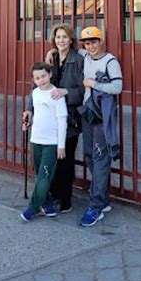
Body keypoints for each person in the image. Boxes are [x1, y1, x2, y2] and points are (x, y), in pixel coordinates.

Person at [23, 24, 84, 212]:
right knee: (51, 162)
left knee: (65, 161)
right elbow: (38, 86)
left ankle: (66, 200)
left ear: (71, 39)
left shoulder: (79, 59)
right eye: (58, 37)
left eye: (65, 37)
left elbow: (83, 90)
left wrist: (66, 92)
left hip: (69, 118)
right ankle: (53, 195)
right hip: (48, 121)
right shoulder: (52, 58)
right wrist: (29, 109)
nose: (61, 41)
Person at [78, 26, 123, 227]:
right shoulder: (85, 56)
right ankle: (103, 199)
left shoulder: (110, 61)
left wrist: (93, 84)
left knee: (100, 157)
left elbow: (117, 87)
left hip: (103, 117)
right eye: (87, 43)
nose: (91, 46)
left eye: (94, 42)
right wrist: (51, 52)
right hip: (88, 112)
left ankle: (96, 206)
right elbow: (66, 48)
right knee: (89, 154)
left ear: (101, 41)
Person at [20, 62, 68, 222]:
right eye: (37, 78)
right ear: (34, 80)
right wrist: (28, 120)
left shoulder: (56, 95)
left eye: (43, 76)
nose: (41, 80)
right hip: (36, 139)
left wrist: (61, 145)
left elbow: (62, 121)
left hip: (51, 142)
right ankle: (47, 204)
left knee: (44, 176)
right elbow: (34, 112)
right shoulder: (35, 93)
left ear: (50, 75)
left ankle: (33, 208)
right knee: (39, 174)